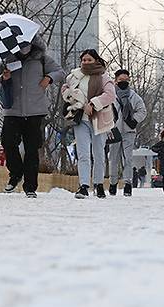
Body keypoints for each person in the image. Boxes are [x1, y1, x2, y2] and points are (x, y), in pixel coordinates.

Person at [0, 35, 65, 198]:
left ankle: (30, 186)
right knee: (8, 142)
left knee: (32, 149)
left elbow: (60, 72)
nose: (23, 47)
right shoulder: (6, 59)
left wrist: (49, 78)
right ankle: (16, 174)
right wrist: (4, 78)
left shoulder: (42, 59)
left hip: (35, 111)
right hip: (12, 110)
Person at [61, 49, 116, 199]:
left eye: (89, 60)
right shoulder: (75, 76)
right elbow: (65, 89)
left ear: (96, 60)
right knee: (83, 154)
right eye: (83, 60)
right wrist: (74, 99)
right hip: (80, 119)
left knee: (98, 153)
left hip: (99, 120)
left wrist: (93, 103)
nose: (85, 62)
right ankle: (83, 185)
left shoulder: (104, 77)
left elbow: (110, 95)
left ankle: (98, 184)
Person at [108, 69, 147, 197]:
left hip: (129, 131)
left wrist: (133, 120)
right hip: (113, 131)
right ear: (115, 81)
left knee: (128, 159)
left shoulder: (134, 96)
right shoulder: (110, 94)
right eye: (121, 80)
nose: (123, 82)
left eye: (126, 80)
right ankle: (113, 183)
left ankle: (128, 184)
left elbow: (142, 111)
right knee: (113, 158)